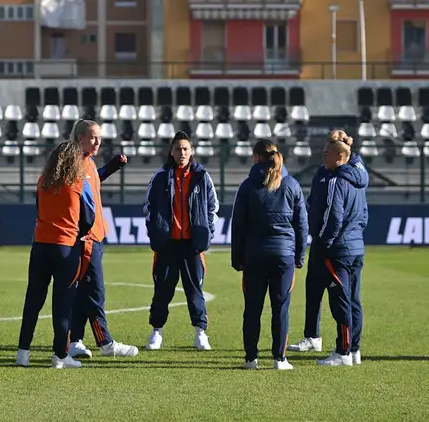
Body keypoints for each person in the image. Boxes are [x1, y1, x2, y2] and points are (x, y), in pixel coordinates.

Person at [16, 140, 96, 369]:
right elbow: (89, 218)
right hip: (66, 248)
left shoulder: (43, 182)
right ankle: (59, 356)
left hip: (40, 246)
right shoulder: (80, 183)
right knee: (62, 304)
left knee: (33, 300)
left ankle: (23, 353)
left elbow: (39, 210)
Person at [288, 130, 368, 356]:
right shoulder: (328, 173)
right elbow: (362, 213)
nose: (322, 156)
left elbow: (335, 216)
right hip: (340, 243)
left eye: (326, 153)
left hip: (332, 246)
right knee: (317, 290)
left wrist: (324, 240)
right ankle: (318, 338)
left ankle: (347, 349)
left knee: (343, 299)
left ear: (339, 155)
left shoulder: (340, 178)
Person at [231, 139, 308, 370]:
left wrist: (237, 259)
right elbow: (302, 225)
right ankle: (279, 359)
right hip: (283, 256)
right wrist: (299, 257)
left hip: (254, 255)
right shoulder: (292, 184)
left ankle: (251, 359)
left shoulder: (247, 186)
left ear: (256, 157)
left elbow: (238, 225)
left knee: (252, 308)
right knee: (281, 307)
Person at [66, 119, 139, 359]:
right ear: (80, 139)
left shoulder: (87, 163)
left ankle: (74, 340)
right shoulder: (74, 165)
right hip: (86, 240)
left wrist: (113, 166)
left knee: (82, 292)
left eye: (99, 137)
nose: (98, 141)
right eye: (93, 137)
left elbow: (94, 179)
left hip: (94, 237)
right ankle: (105, 342)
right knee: (95, 291)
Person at [143, 131, 219, 351]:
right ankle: (156, 332)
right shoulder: (160, 176)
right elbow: (148, 207)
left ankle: (200, 332)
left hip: (192, 245)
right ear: (171, 151)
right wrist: (155, 231)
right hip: (167, 245)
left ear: (192, 151)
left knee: (195, 290)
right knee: (162, 291)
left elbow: (212, 206)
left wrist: (207, 232)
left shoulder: (201, 176)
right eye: (178, 149)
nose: (182, 152)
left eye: (186, 149)